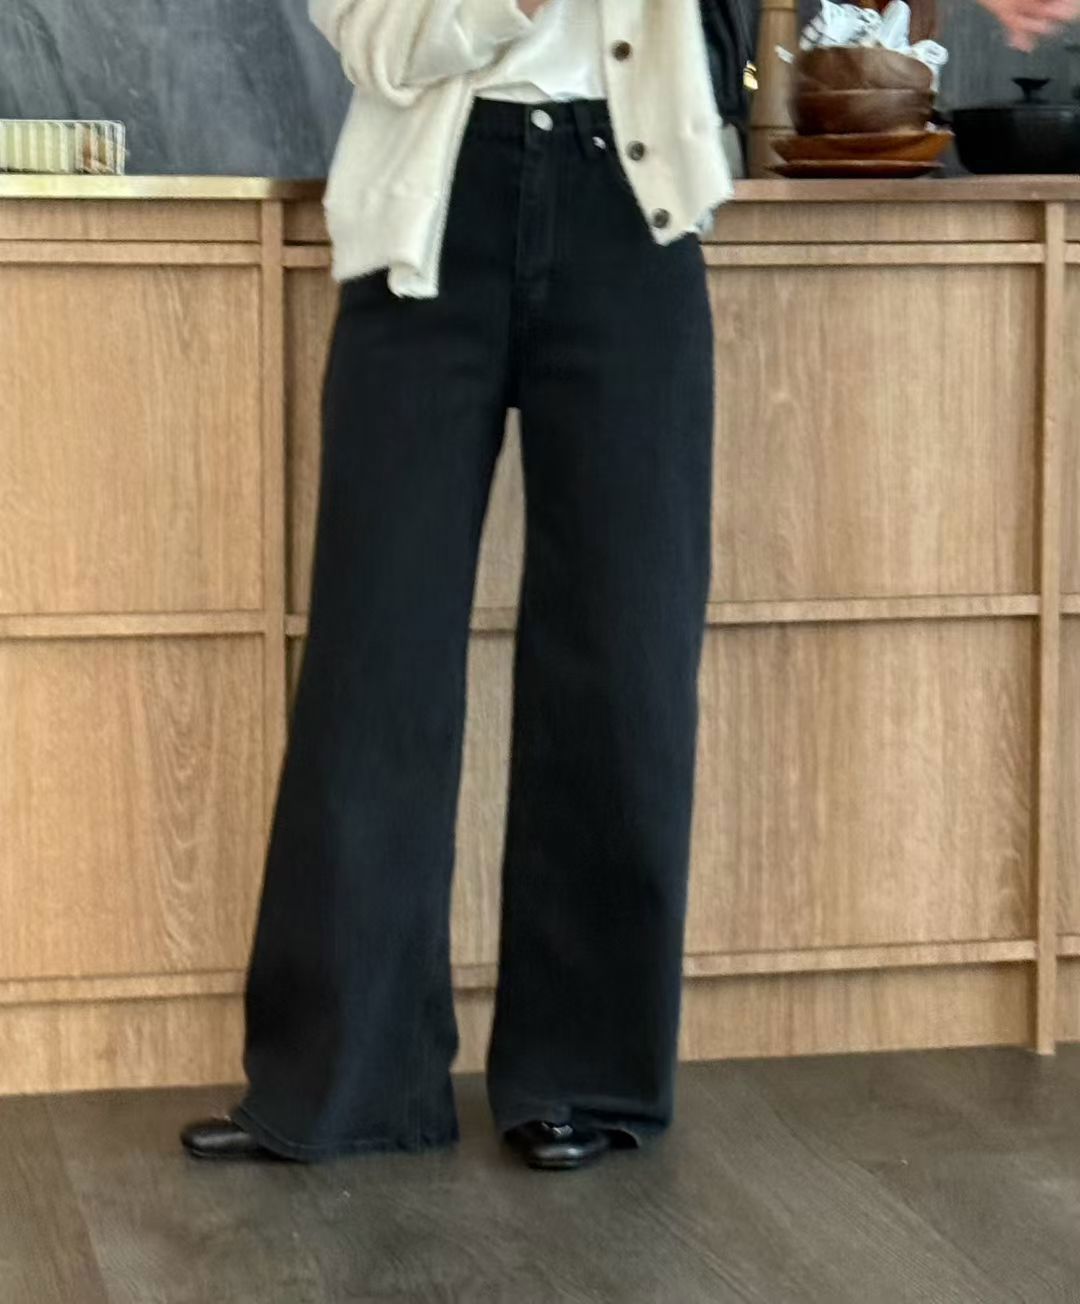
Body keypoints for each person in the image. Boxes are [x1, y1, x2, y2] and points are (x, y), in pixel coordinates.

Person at [182, 0, 1076, 1174]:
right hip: (430, 217)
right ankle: (342, 1079)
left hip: (630, 208)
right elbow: (378, 41)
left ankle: (584, 1074)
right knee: (373, 659)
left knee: (624, 653)